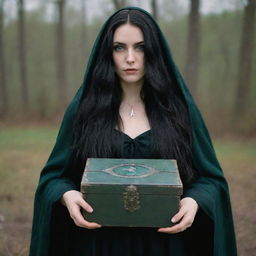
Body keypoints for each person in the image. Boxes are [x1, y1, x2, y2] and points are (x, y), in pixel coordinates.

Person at [29, 6, 237, 256]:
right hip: (98, 245)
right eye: (119, 47)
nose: (130, 57)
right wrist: (67, 194)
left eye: (140, 47)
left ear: (154, 52)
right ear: (108, 53)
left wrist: (194, 201)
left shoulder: (180, 111)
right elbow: (53, 178)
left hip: (166, 245)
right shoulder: (84, 110)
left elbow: (211, 180)